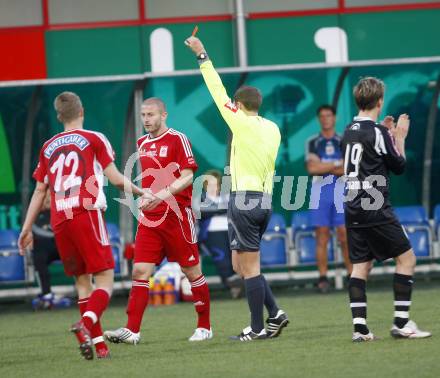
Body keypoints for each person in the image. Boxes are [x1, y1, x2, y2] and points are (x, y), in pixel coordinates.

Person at [18, 91, 145, 360]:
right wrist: (143, 192)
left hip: (59, 219)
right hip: (86, 212)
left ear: (59, 116)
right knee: (106, 280)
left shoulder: (48, 146)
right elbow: (116, 179)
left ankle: (99, 347)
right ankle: (85, 326)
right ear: (82, 110)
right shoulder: (94, 138)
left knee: (82, 283)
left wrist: (26, 228)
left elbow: (40, 191)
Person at [185, 36, 288, 341]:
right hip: (264, 200)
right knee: (240, 264)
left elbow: (217, 91)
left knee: (249, 267)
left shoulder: (241, 123)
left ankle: (257, 328)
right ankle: (276, 313)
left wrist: (202, 55)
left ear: (240, 106)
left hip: (244, 199)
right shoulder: (273, 128)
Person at [104, 97, 212, 344]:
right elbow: (152, 179)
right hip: (151, 218)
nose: (146, 120)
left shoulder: (178, 139)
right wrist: (145, 197)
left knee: (191, 271)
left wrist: (161, 196)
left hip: (177, 217)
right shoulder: (142, 142)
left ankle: (204, 327)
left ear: (164, 115)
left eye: (151, 115)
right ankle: (132, 331)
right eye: (143, 116)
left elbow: (187, 176)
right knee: (140, 270)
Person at [341, 77, 431, 342]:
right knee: (407, 260)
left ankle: (361, 329)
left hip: (353, 207)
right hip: (375, 207)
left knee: (360, 267)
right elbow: (399, 165)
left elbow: (365, 153)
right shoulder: (378, 133)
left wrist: (386, 134)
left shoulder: (348, 129)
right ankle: (401, 324)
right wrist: (399, 137)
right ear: (379, 101)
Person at [306, 105, 352, 292]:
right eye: (322, 116)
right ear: (319, 119)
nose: (326, 119)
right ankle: (323, 277)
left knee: (344, 235)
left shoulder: (344, 140)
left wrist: (324, 164)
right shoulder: (312, 142)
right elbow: (312, 169)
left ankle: (352, 275)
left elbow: (347, 169)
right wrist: (335, 163)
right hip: (319, 191)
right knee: (322, 237)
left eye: (329, 115)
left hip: (341, 189)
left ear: (335, 118)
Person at [195, 170, 242, 298]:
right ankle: (231, 285)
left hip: (232, 232)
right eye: (209, 185)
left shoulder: (226, 197)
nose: (213, 188)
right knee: (223, 261)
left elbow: (236, 209)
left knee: (237, 262)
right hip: (212, 233)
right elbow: (200, 212)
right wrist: (221, 209)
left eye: (215, 184)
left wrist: (218, 210)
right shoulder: (201, 198)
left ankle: (238, 286)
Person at [31, 189, 72, 310]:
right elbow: (34, 232)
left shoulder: (63, 211)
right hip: (44, 250)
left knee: (79, 254)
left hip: (62, 246)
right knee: (38, 256)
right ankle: (47, 294)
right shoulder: (35, 215)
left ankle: (85, 291)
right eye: (46, 197)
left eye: (51, 196)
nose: (48, 199)